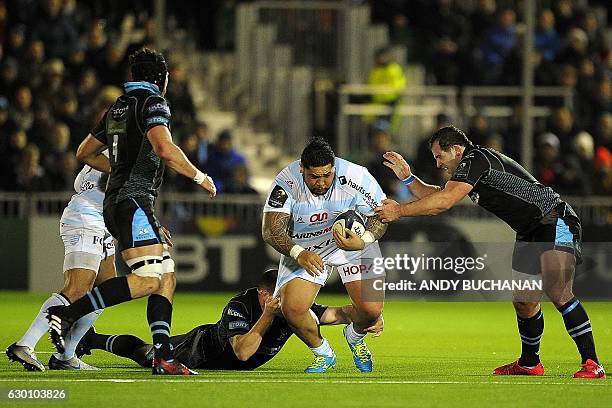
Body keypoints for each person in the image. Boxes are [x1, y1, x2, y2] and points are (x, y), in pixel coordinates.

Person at [375, 125, 605, 379]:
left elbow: (443, 203)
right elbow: (441, 196)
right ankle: (530, 363)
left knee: (558, 290)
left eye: (440, 156)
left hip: (555, 218)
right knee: (524, 301)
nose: (438, 163)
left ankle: (592, 362)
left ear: (457, 149)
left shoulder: (477, 159)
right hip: (530, 229)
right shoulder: (472, 166)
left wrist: (399, 211)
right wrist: (408, 178)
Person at [45, 48, 217, 376]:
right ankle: (66, 314)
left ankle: (164, 356)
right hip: (134, 201)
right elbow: (164, 148)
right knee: (151, 280)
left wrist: (119, 167)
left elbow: (84, 152)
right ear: (161, 79)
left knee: (166, 277)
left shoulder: (118, 107)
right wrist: (200, 176)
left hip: (121, 202)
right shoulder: (153, 103)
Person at [79, 269, 383, 370]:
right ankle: (93, 339)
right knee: (147, 354)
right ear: (265, 295)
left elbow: (341, 313)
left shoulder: (293, 308)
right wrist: (266, 317)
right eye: (280, 294)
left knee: (148, 352)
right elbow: (242, 352)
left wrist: (368, 318)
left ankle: (90, 339)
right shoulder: (239, 306)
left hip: (224, 353)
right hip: (199, 350)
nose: (289, 299)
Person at [262, 138, 387, 373]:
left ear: (334, 168)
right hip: (305, 248)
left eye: (327, 175)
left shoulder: (356, 176)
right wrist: (298, 254)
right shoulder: (286, 182)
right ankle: (323, 353)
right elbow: (271, 230)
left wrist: (365, 240)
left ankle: (355, 336)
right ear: (302, 169)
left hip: (354, 243)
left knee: (371, 311)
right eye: (314, 177)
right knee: (292, 309)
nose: (321, 182)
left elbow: (380, 216)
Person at [6, 159, 116, 371]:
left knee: (107, 290)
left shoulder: (102, 149)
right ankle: (25, 344)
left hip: (102, 222)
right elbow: (113, 185)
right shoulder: (121, 151)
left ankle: (66, 355)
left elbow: (83, 181)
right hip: (88, 219)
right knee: (77, 288)